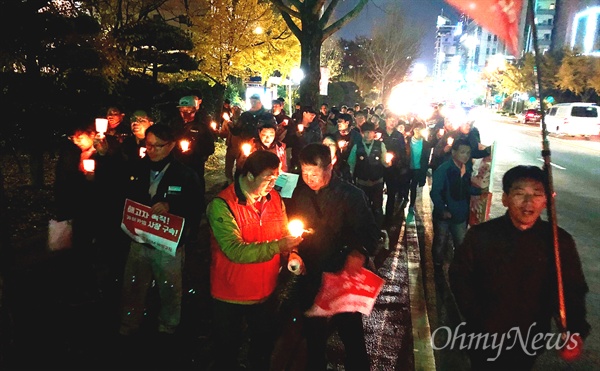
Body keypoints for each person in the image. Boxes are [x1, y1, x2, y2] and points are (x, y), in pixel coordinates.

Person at [449, 165, 590, 370]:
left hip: (530, 338)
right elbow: (459, 276)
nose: (528, 202)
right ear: (505, 198)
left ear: (547, 200)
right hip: (483, 338)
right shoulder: (481, 236)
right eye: (519, 194)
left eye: (536, 195)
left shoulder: (559, 242)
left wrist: (574, 330)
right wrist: (478, 317)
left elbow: (572, 288)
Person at [206, 150, 303, 371]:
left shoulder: (275, 199)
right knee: (227, 351)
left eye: (276, 177)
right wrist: (279, 247)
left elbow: (284, 232)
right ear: (250, 175)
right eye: (268, 178)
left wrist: (292, 252)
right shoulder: (223, 205)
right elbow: (234, 250)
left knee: (262, 349)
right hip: (230, 294)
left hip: (265, 292)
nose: (273, 183)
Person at [288, 143, 380, 371]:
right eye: (305, 172)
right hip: (310, 271)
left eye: (315, 173)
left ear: (330, 166)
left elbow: (370, 234)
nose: (310, 179)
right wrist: (293, 251)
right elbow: (287, 227)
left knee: (351, 333)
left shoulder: (352, 195)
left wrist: (358, 253)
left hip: (341, 274)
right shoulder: (297, 193)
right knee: (313, 334)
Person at [119, 124, 203, 337]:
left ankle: (168, 327)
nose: (153, 150)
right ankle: (129, 324)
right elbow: (121, 196)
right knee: (134, 286)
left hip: (168, 244)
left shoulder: (185, 174)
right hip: (139, 240)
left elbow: (196, 207)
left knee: (170, 288)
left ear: (172, 145)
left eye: (159, 146)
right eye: (149, 145)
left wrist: (171, 207)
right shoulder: (136, 168)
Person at [430, 138, 478, 270]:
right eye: (462, 152)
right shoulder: (444, 169)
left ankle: (458, 269)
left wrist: (479, 191)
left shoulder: (467, 169)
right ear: (453, 152)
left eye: (468, 153)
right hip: (444, 216)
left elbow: (466, 188)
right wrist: (442, 209)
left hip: (460, 215)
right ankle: (437, 268)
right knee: (440, 242)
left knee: (461, 243)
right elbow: (435, 192)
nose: (466, 156)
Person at [169, 95, 215, 212]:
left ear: (195, 109)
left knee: (195, 192)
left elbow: (210, 148)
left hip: (195, 166)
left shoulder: (202, 127)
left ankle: (196, 212)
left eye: (189, 110)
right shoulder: (174, 125)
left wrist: (194, 150)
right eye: (182, 110)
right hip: (176, 165)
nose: (185, 113)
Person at [348, 121, 391, 226]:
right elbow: (351, 164)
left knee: (377, 209)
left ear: (374, 133)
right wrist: (350, 177)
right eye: (365, 132)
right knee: (362, 209)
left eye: (370, 132)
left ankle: (377, 230)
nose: (367, 135)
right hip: (362, 183)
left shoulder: (380, 145)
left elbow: (385, 163)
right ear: (362, 133)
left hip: (377, 183)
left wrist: (388, 162)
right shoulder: (356, 147)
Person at [381, 115, 408, 224]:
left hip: (394, 168)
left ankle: (388, 217)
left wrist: (398, 162)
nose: (392, 122)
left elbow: (402, 151)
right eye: (390, 120)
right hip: (380, 167)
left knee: (391, 193)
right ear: (386, 120)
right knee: (378, 192)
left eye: (394, 120)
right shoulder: (380, 133)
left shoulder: (399, 136)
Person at [405, 121, 432, 214]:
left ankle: (411, 204)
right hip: (407, 167)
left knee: (413, 186)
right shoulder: (407, 141)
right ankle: (404, 198)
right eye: (416, 128)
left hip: (418, 168)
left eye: (420, 129)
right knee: (405, 185)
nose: (418, 131)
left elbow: (427, 157)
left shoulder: (425, 143)